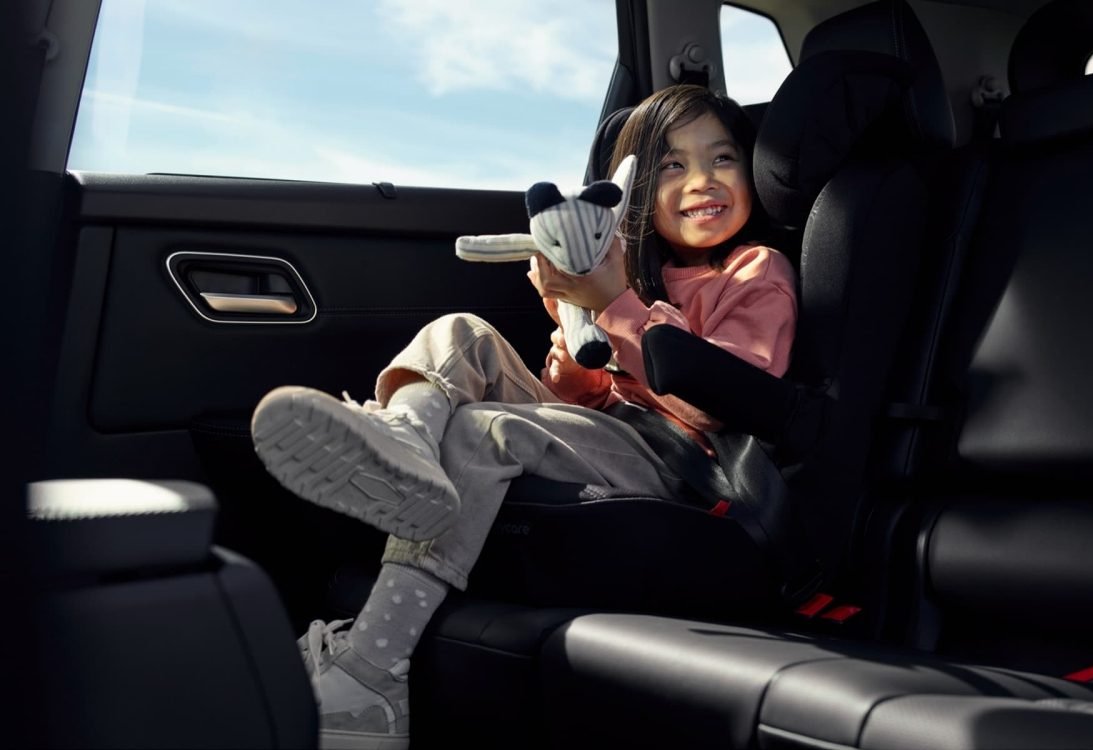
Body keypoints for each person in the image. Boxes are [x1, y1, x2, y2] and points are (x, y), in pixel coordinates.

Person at [251, 84, 798, 750]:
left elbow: (722, 399)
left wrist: (617, 306)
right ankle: (407, 444)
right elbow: (581, 402)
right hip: (611, 432)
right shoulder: (637, 273)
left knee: (484, 430)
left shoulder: (754, 270)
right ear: (636, 192)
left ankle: (372, 671)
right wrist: (575, 344)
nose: (703, 181)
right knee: (461, 332)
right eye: (675, 166)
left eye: (723, 158)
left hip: (682, 463)